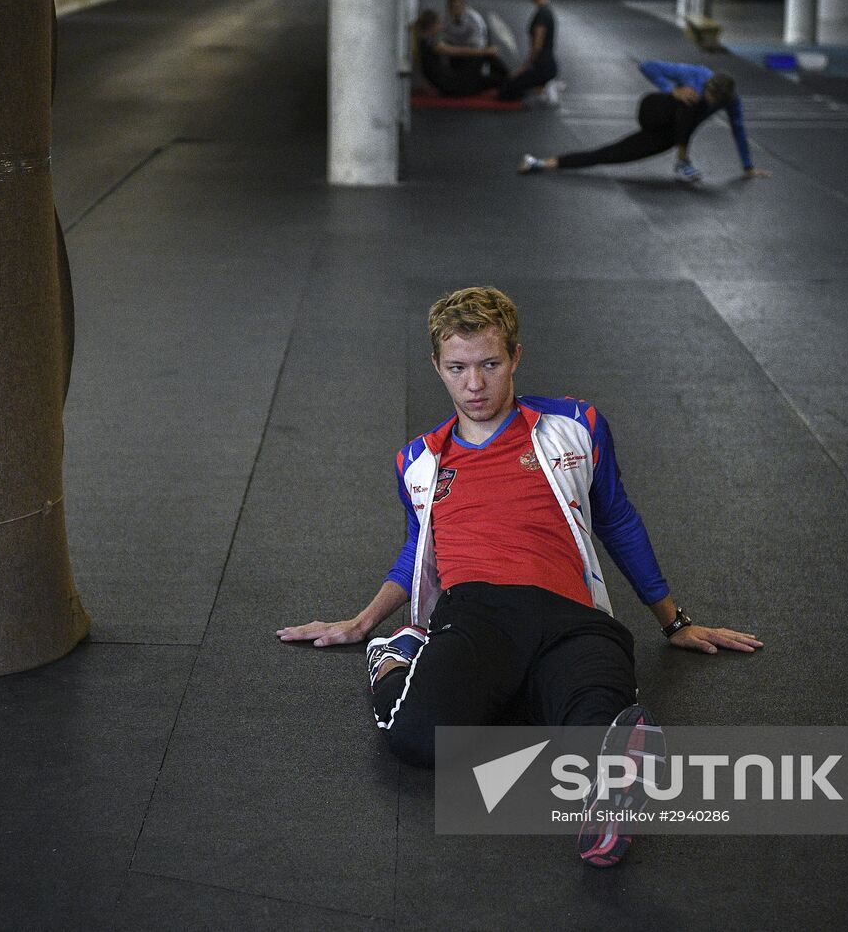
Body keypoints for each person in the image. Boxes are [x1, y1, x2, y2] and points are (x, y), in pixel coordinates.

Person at [277, 286, 763, 867]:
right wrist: (363, 622)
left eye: (489, 364)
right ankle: (398, 655)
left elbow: (618, 520)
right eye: (458, 368)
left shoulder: (575, 426)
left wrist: (674, 621)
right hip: (478, 615)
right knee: (416, 736)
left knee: (599, 712)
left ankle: (607, 801)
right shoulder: (419, 462)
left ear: (515, 357)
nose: (475, 385)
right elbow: (419, 548)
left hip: (574, 618)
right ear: (437, 367)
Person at [517, 60, 773, 182]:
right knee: (688, 102)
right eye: (711, 96)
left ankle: (540, 163)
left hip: (669, 134)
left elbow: (738, 129)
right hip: (653, 109)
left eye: (718, 102)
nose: (713, 103)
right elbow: (647, 66)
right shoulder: (696, 76)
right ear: (708, 85)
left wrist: (748, 167)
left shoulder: (730, 100)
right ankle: (683, 160)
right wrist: (671, 90)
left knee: (609, 154)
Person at [415, 8, 508, 97]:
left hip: (451, 85)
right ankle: (508, 78)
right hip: (454, 86)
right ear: (432, 25)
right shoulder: (432, 43)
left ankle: (506, 80)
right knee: (482, 56)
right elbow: (457, 51)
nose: (441, 26)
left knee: (489, 79)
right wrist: (485, 51)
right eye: (439, 23)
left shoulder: (424, 42)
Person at [498, 0, 560, 103]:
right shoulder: (545, 10)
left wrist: (524, 67)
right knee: (510, 82)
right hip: (546, 65)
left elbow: (537, 47)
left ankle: (543, 86)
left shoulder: (542, 14)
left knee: (504, 92)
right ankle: (541, 85)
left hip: (543, 67)